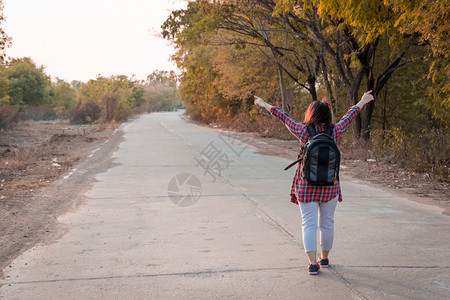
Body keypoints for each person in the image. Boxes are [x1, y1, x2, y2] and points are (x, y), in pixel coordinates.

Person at [254, 91, 374, 275]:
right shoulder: (335, 131)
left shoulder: (303, 131)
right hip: (329, 186)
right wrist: (362, 102)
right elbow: (349, 117)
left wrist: (264, 104)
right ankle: (324, 259)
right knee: (327, 223)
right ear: (328, 116)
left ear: (311, 114)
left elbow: (283, 116)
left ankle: (312, 264)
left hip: (306, 185)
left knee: (308, 224)